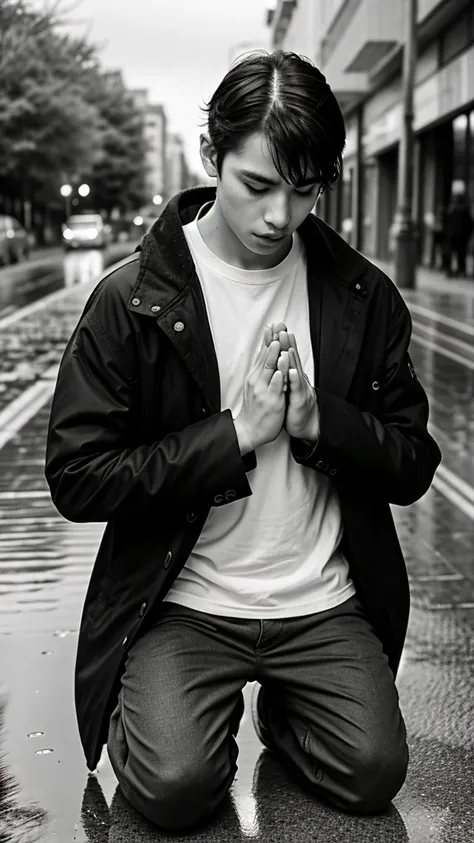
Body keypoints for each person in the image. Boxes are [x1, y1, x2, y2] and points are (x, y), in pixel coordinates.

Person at [44, 50, 441, 832]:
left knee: (372, 772)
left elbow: (412, 460)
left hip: (321, 601)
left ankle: (291, 714)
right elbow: (78, 474)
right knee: (176, 787)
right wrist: (235, 435)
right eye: (257, 186)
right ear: (211, 157)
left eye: (305, 192)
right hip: (185, 603)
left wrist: (322, 424)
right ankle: (171, 715)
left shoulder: (362, 295)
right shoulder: (131, 301)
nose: (279, 217)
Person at [444, 191, 473, 277]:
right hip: (458, 236)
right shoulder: (458, 211)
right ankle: (458, 270)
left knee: (457, 254)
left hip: (456, 236)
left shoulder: (456, 211)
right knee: (460, 255)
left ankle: (455, 270)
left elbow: (448, 224)